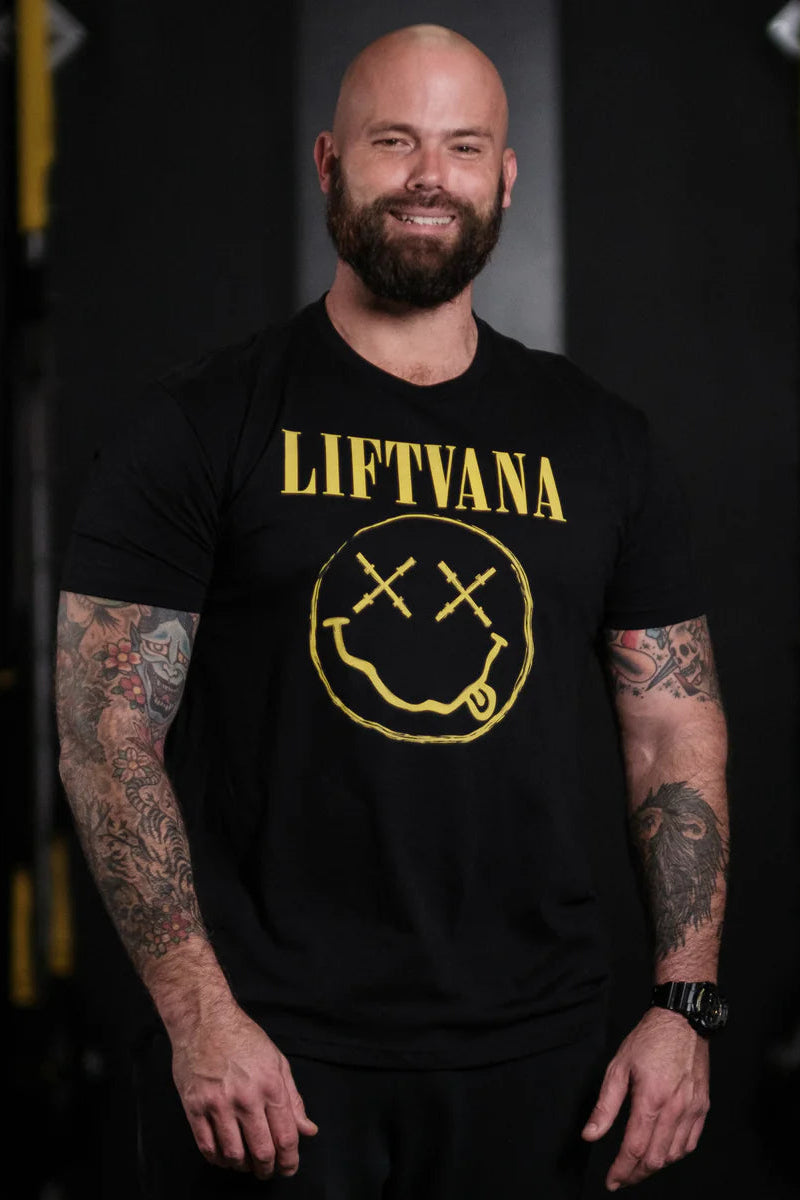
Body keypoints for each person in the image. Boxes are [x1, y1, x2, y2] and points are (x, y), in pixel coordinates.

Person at [55, 23, 729, 1200]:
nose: (430, 174)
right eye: (393, 141)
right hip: (270, 1066)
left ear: (504, 179)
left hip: (544, 1062)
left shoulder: (600, 440)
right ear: (328, 163)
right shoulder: (201, 425)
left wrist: (683, 1005)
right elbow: (104, 734)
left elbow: (671, 730)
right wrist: (199, 1016)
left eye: (463, 147)